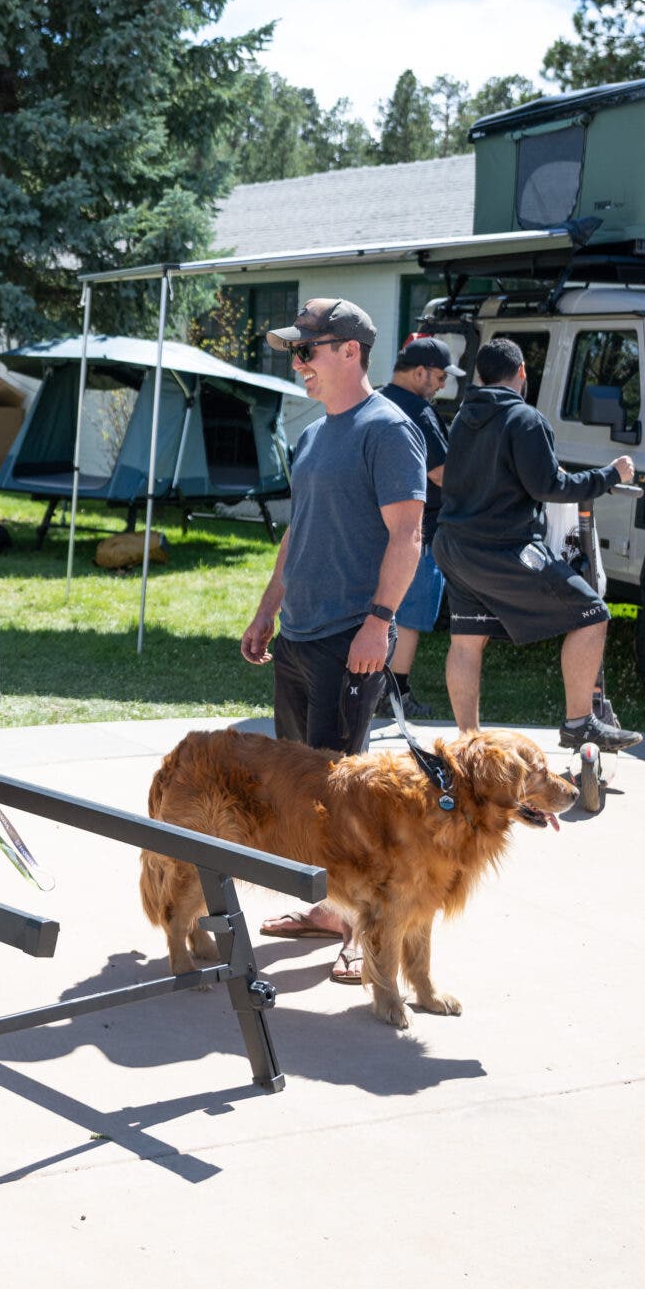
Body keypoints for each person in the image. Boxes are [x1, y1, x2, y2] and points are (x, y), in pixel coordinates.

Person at [239, 299, 427, 979]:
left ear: (349, 350)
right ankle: (326, 911)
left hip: (352, 636)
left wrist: (379, 620)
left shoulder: (387, 430)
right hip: (299, 635)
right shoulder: (316, 434)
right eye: (296, 351)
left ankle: (370, 934)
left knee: (345, 797)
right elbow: (300, 531)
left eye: (307, 350)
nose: (298, 363)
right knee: (302, 788)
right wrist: (267, 612)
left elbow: (408, 533)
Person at [432, 337, 641, 750]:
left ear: (480, 376)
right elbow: (550, 486)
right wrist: (611, 475)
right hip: (503, 547)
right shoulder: (525, 419)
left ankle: (469, 741)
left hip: (453, 545)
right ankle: (581, 722)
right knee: (591, 613)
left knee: (467, 639)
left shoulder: (462, 419)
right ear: (522, 371)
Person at [377, 336, 461, 718]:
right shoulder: (420, 413)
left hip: (374, 526)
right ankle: (395, 693)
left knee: (379, 608)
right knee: (410, 615)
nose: (443, 384)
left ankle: (367, 686)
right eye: (441, 376)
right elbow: (442, 473)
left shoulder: (374, 400)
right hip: (417, 532)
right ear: (421, 372)